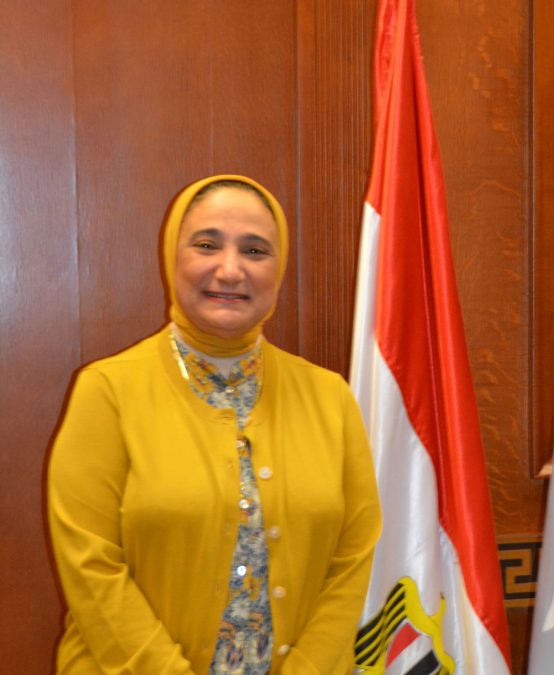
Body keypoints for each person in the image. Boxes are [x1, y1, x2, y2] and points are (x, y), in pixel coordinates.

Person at [48, 175, 382, 674]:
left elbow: (353, 559)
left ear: (279, 268)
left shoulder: (329, 397)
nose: (229, 270)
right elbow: (90, 565)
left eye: (254, 250)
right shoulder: (107, 391)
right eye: (206, 245)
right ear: (172, 256)